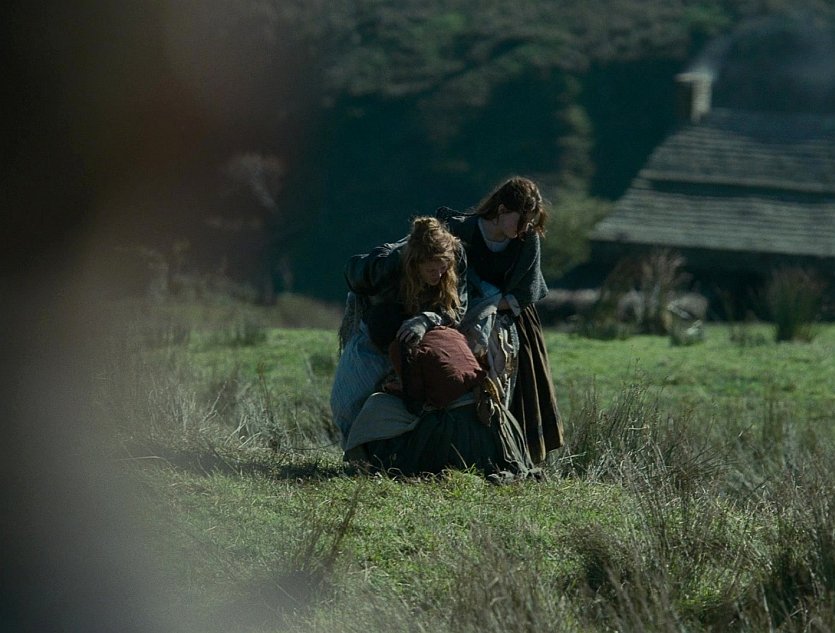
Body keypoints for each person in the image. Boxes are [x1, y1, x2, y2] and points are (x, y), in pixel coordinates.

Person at [437, 176, 565, 463]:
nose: (526, 227)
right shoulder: (463, 231)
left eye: (531, 221)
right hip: (462, 314)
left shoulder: (527, 240)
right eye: (522, 219)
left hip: (514, 316)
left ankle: (515, 454)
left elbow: (525, 291)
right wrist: (472, 311)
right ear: (502, 210)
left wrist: (492, 305)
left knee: (522, 389)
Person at [330, 216, 467, 445]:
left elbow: (458, 308)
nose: (438, 275)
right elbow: (352, 273)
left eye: (443, 269)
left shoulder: (456, 257)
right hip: (379, 331)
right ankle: (354, 449)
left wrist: (426, 319)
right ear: (415, 265)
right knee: (347, 400)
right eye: (431, 269)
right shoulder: (387, 265)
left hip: (427, 332)